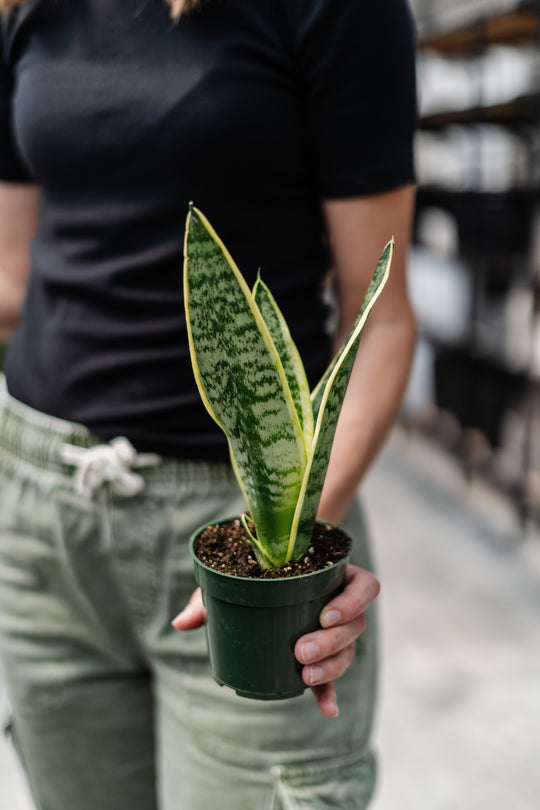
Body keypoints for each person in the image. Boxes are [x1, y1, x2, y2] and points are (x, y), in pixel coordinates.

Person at [0, 0, 417, 807]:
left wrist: (290, 544)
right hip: (39, 514)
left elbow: (386, 322)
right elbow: (14, 277)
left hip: (241, 526)